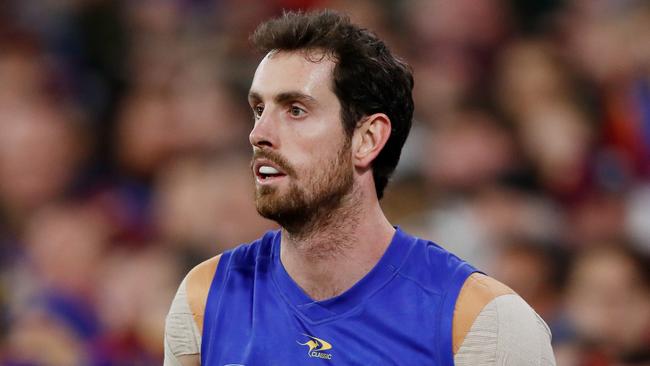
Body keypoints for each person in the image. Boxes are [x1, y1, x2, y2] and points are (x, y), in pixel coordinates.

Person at [164, 10, 555, 365]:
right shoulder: (205, 298)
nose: (259, 134)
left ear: (367, 139)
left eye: (295, 110)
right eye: (259, 109)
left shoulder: (478, 319)